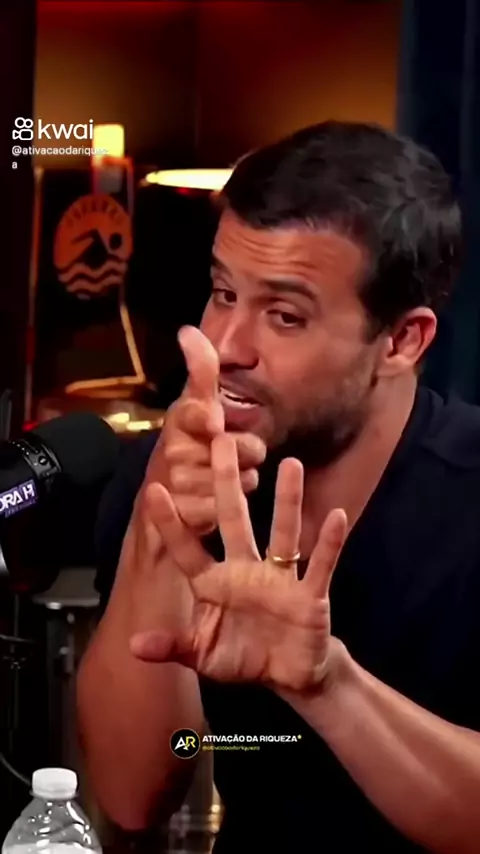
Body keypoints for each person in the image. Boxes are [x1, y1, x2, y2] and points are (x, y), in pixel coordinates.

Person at [77, 121, 480, 854]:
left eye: (285, 316)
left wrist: (328, 688)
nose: (227, 346)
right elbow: (134, 796)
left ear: (402, 341)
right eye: (223, 293)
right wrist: (156, 540)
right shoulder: (170, 471)